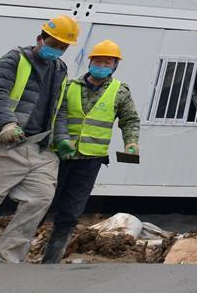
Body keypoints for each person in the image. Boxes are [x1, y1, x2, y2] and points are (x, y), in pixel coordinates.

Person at [0, 16, 79, 262]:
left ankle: (7, 258)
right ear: (40, 38)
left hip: (39, 148)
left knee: (40, 198)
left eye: (62, 46)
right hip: (5, 144)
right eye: (53, 43)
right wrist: (7, 123)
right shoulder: (15, 58)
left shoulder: (60, 69)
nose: (56, 49)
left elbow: (60, 109)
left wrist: (63, 138)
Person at [40, 40, 140, 263]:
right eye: (98, 60)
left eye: (107, 62)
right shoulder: (70, 86)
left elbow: (130, 119)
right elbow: (58, 115)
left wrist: (131, 142)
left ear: (114, 66)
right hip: (59, 156)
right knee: (41, 203)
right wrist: (61, 139)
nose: (101, 65)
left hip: (89, 161)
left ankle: (51, 260)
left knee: (70, 213)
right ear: (90, 61)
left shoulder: (119, 92)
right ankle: (18, 256)